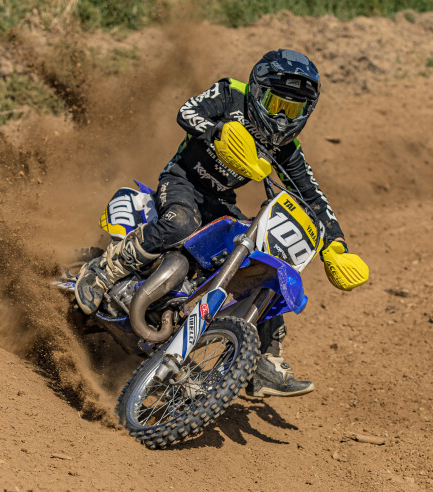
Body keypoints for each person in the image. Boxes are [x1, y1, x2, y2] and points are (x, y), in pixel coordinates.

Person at [75, 49, 369, 397]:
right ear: (257, 91)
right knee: (180, 224)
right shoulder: (230, 94)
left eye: (292, 109)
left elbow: (314, 197)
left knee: (267, 262)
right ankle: (104, 270)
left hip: (220, 203)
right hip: (182, 181)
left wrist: (335, 247)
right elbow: (187, 111)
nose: (280, 117)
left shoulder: (287, 148)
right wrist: (217, 131)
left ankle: (265, 360)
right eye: (275, 103)